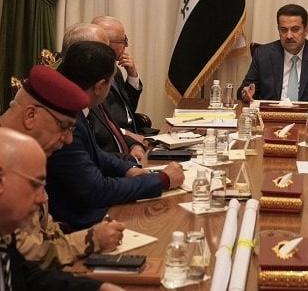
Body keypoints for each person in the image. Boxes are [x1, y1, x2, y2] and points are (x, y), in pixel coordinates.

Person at [47, 41, 185, 230]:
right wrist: (162, 180)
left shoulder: (75, 105)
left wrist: (128, 169)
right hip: (80, 223)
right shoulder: (67, 120)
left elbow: (96, 153)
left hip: (95, 208)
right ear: (99, 86)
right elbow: (98, 190)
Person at [0, 65, 125, 267]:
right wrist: (91, 240)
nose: (68, 140)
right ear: (30, 116)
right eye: (64, 126)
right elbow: (27, 258)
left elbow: (46, 231)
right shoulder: (6, 164)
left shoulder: (31, 156)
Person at [0, 128, 123, 290]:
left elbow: (27, 277)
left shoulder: (5, 234)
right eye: (35, 184)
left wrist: (98, 288)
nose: (43, 198)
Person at [63, 23, 147, 163]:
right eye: (104, 47)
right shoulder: (74, 99)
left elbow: (113, 123)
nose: (109, 53)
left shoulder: (96, 80)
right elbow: (93, 158)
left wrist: (133, 145)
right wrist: (131, 162)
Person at [238, 4, 308, 102]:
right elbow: (243, 91)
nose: (289, 36)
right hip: (272, 113)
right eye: (284, 30)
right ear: (278, 30)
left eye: (295, 29)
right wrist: (245, 94)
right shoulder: (263, 54)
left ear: (306, 30)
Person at [91, 16, 143, 133]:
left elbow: (129, 107)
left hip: (133, 130)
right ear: (107, 43)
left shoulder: (114, 68)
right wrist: (126, 134)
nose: (126, 46)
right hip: (116, 137)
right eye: (124, 41)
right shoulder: (93, 74)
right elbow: (99, 124)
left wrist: (132, 75)